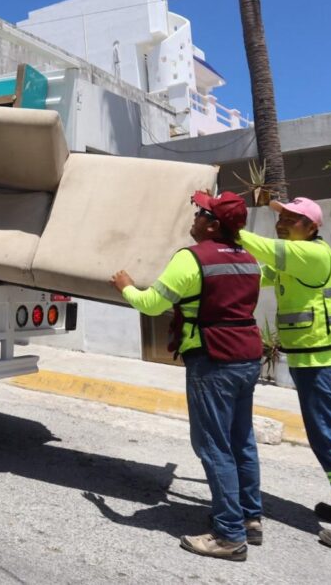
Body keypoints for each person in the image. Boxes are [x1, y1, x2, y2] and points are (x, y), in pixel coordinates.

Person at [111, 191, 263, 562]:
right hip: (247, 356)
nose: (193, 218)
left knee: (214, 446)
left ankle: (228, 534)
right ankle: (250, 518)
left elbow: (152, 304)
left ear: (213, 225)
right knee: (241, 440)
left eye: (200, 213)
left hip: (212, 360)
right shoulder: (248, 258)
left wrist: (125, 285)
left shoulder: (192, 258)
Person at [238, 197, 331, 557]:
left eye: (293, 218)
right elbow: (260, 275)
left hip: (320, 363)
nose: (283, 222)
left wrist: (231, 230)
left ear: (312, 227)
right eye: (282, 217)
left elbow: (264, 249)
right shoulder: (299, 254)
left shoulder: (310, 255)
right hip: (313, 361)